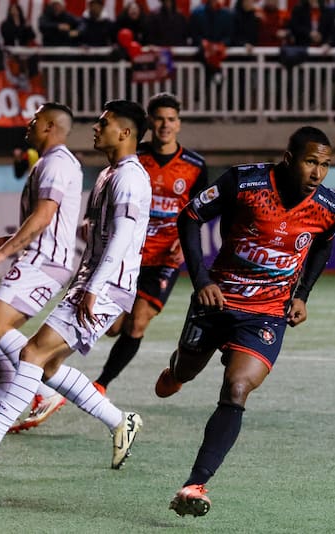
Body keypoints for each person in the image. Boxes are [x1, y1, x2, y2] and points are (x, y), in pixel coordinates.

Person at [0, 100, 151, 469]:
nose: (96, 128)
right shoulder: (108, 175)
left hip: (103, 287)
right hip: (91, 282)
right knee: (47, 366)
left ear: (126, 132)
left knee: (31, 354)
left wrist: (95, 288)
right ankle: (120, 421)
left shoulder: (130, 177)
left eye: (104, 123)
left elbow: (122, 237)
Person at [159, 126, 335, 517]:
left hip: (266, 312)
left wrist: (303, 294)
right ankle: (178, 369)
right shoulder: (245, 182)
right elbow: (190, 217)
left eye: (325, 165)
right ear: (290, 157)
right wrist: (202, 279)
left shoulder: (328, 207)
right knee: (187, 370)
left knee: (238, 387)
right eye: (311, 162)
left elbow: (323, 244)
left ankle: (196, 483)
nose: (318, 173)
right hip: (216, 301)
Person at [0, 103, 81, 437]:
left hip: (43, 261)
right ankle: (6, 410)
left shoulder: (56, 163)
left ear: (49, 126)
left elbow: (43, 216)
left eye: (34, 120)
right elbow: (48, 220)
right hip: (44, 258)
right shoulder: (52, 162)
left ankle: (46, 391)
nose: (27, 125)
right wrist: (4, 240)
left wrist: (3, 252)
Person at [92, 92, 208, 393]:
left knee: (137, 322)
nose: (164, 125)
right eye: (158, 119)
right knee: (113, 326)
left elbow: (202, 210)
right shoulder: (134, 159)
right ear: (149, 122)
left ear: (179, 124)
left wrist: (185, 242)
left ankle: (100, 384)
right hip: (129, 255)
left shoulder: (195, 166)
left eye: (171, 119)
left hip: (164, 261)